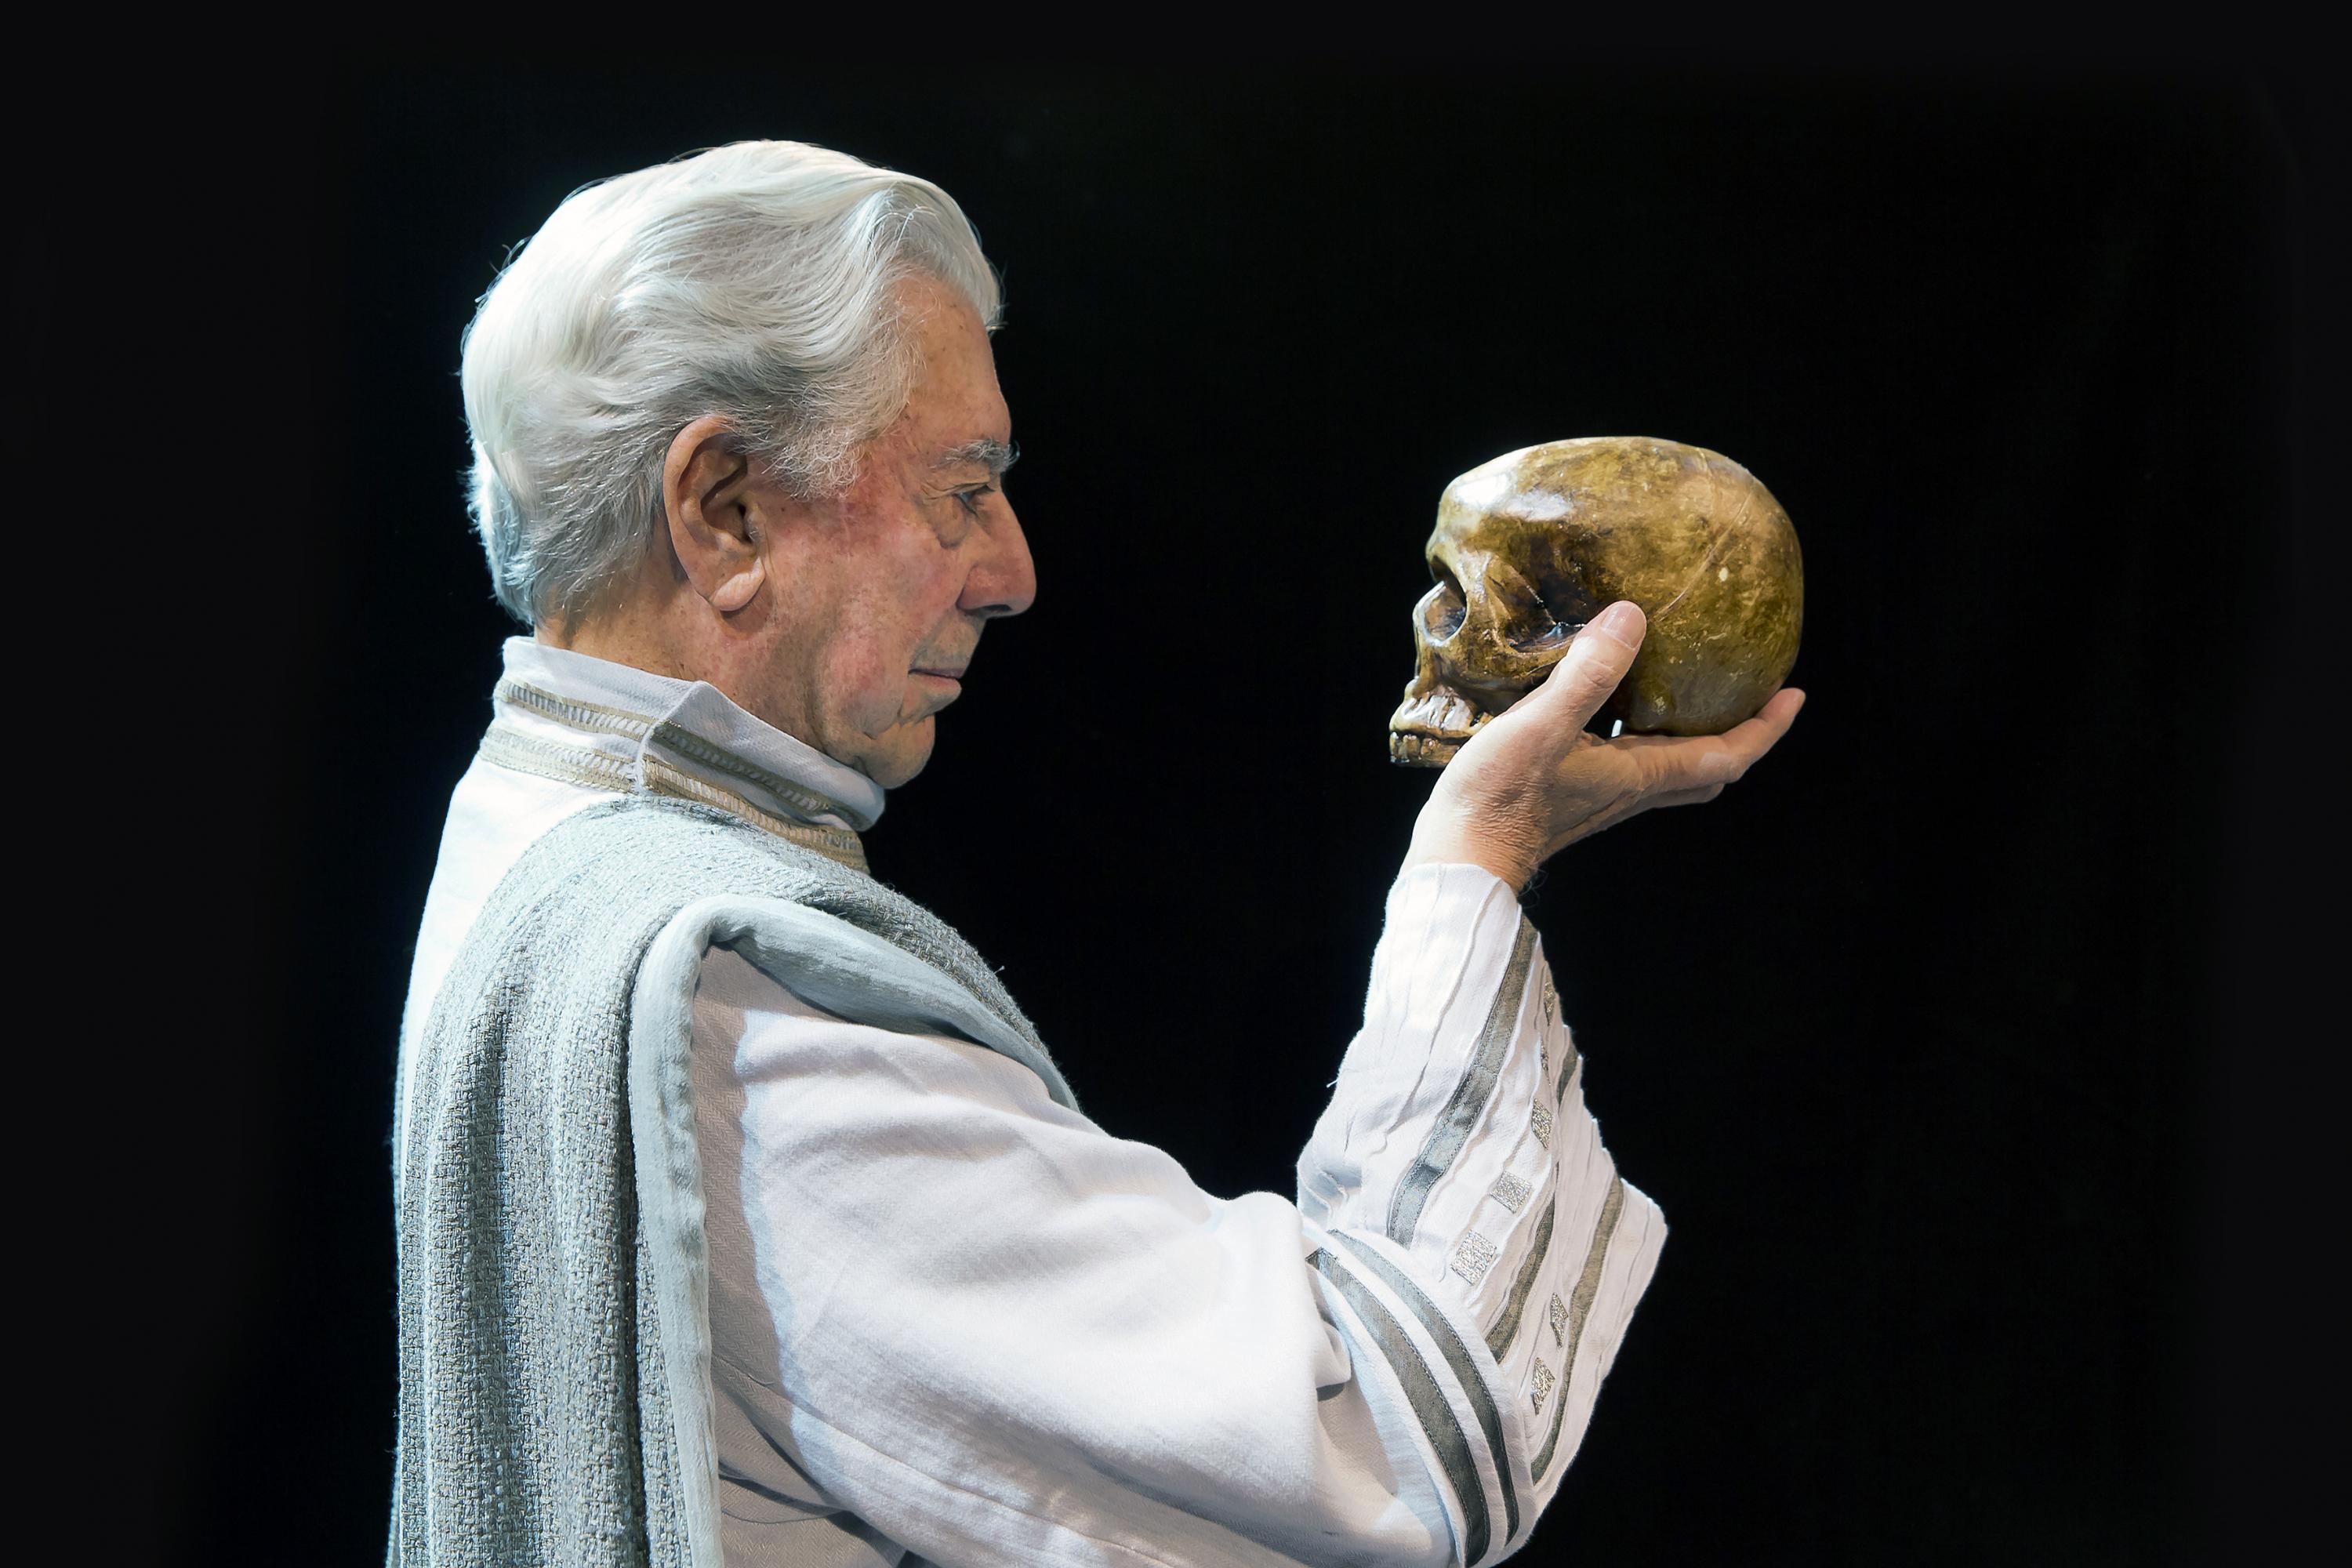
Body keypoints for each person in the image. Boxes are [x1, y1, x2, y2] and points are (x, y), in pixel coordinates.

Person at [391, 140, 1805, 1568]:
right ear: (727, 511)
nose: (1012, 573)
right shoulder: (732, 1001)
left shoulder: (531, 826)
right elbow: (1394, 1442)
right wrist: (1481, 853)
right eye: (962, 489)